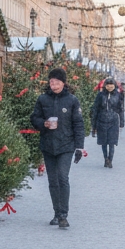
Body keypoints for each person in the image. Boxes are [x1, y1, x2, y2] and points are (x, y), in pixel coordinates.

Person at [29, 68, 84, 229]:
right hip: (48, 145)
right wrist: (43, 124)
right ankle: (56, 212)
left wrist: (79, 147)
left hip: (66, 145)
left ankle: (63, 215)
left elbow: (78, 124)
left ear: (63, 83)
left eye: (57, 82)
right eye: (51, 82)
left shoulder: (72, 100)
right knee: (53, 181)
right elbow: (34, 118)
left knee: (62, 178)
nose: (54, 85)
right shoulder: (43, 99)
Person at [92, 78, 124, 168]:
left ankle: (110, 159)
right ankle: (105, 158)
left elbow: (121, 109)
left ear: (114, 85)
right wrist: (93, 125)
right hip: (101, 120)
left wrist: (122, 122)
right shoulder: (100, 95)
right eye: (108, 84)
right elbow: (95, 109)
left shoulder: (118, 95)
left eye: (112, 84)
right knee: (104, 142)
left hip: (113, 121)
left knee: (112, 142)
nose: (110, 86)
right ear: (105, 85)